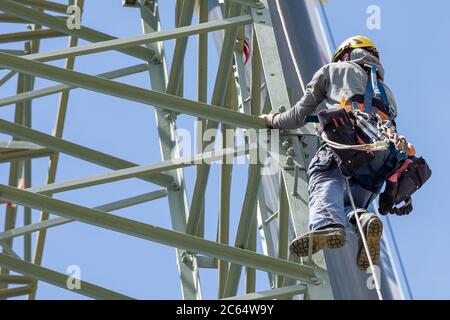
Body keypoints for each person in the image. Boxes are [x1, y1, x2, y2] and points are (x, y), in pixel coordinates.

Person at [260, 36, 413, 271]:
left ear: (345, 55)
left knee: (322, 174)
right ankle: (363, 219)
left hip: (349, 141)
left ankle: (325, 225)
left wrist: (272, 120)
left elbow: (298, 115)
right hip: (383, 158)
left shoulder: (333, 70)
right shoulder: (388, 93)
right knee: (346, 203)